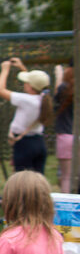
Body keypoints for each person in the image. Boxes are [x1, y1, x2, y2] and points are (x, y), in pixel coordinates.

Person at [0, 57, 53, 174]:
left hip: (24, 145)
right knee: (37, 181)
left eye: (26, 82)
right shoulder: (43, 98)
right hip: (38, 142)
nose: (24, 84)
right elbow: (34, 84)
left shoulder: (27, 100)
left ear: (30, 87)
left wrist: (5, 69)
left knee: (22, 181)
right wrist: (21, 68)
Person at [54, 64, 74, 192]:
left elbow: (57, 92)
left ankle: (67, 206)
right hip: (75, 135)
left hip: (65, 136)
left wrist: (59, 75)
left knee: (66, 176)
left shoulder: (65, 89)